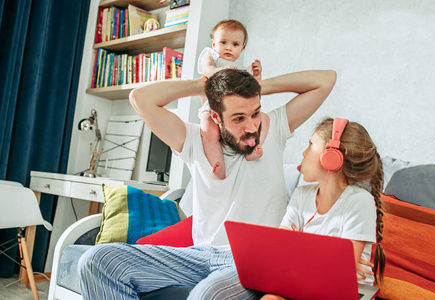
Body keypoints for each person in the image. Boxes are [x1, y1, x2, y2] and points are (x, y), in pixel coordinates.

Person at [79, 68, 337, 299]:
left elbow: (325, 80)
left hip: (253, 262)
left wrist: (261, 86)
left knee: (206, 295)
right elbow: (140, 98)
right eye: (238, 118)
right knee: (96, 260)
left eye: (255, 113)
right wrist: (202, 84)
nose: (251, 127)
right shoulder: (194, 140)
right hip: (199, 255)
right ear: (215, 116)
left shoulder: (275, 128)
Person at [261, 117, 386, 300]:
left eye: (311, 145)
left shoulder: (359, 202)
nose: (303, 153)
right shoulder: (301, 195)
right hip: (304, 284)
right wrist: (326, 259)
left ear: (331, 158)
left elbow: (341, 274)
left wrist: (299, 247)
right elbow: (280, 256)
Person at [198, 19, 269, 179]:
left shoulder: (242, 69)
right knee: (208, 132)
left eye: (235, 44)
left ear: (242, 48)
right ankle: (218, 163)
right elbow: (208, 70)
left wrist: (257, 75)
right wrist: (220, 70)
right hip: (211, 107)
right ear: (213, 43)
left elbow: (255, 90)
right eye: (223, 42)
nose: (229, 47)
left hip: (238, 112)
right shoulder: (211, 56)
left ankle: (253, 148)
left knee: (264, 119)